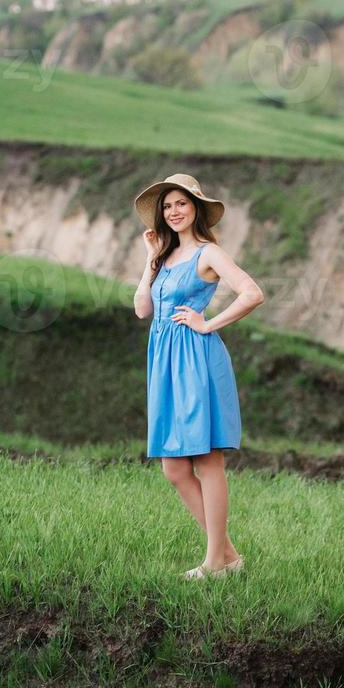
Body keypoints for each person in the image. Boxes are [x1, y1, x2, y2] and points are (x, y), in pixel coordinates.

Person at [132, 173, 265, 580]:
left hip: (196, 359)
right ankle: (230, 558)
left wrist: (209, 325)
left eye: (181, 204)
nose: (173, 211)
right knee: (173, 468)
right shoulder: (164, 259)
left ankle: (214, 563)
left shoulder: (208, 253)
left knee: (207, 462)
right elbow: (142, 309)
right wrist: (150, 260)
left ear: (196, 209)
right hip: (165, 362)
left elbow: (252, 292)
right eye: (167, 206)